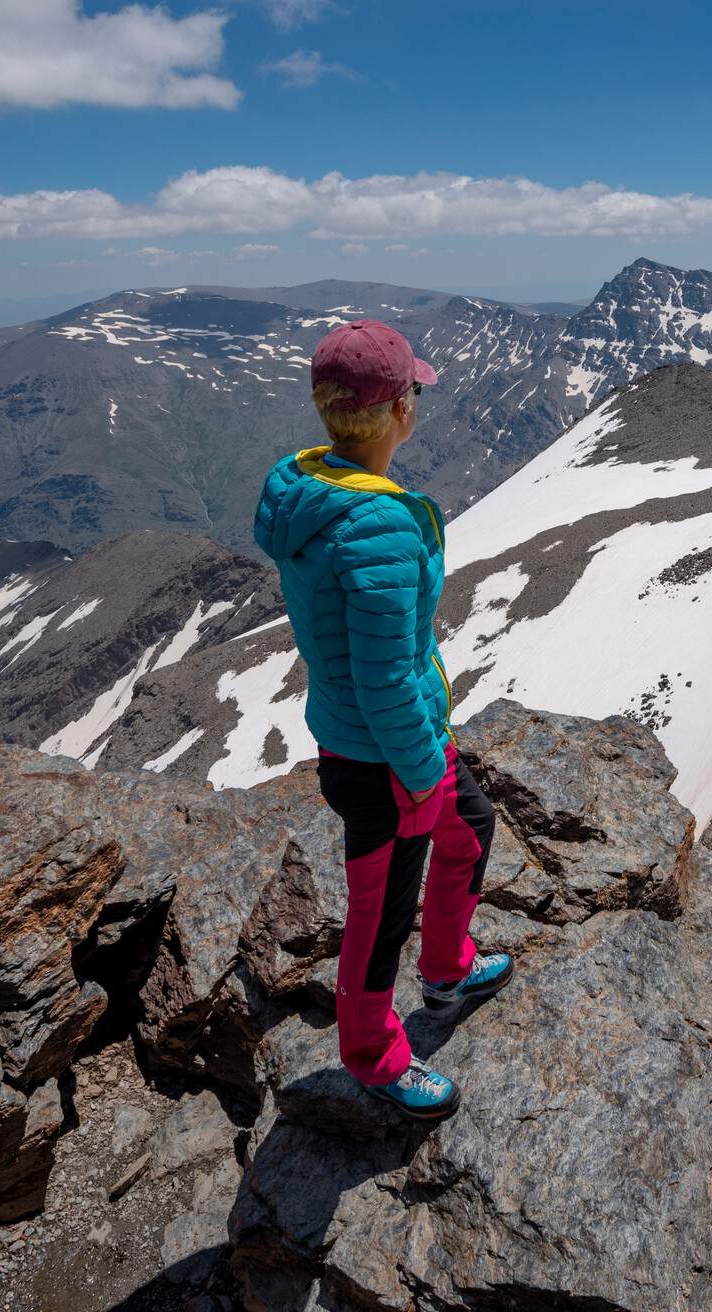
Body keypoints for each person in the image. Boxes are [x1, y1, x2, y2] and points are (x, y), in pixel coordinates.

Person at [251, 319, 510, 1120]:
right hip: (385, 758)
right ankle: (372, 1055)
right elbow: (387, 673)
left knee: (471, 828)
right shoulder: (379, 529)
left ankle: (446, 969)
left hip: (374, 739)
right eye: (415, 392)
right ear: (398, 410)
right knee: (380, 913)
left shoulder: (310, 488)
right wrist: (423, 770)